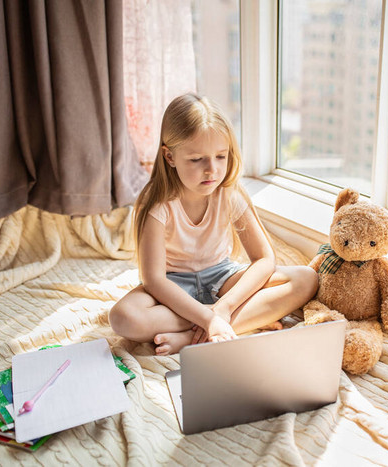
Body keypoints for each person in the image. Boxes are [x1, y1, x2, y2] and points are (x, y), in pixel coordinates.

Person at [109, 93, 319, 355]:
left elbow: (265, 259)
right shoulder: (158, 205)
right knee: (123, 317)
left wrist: (225, 307)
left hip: (222, 278)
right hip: (174, 287)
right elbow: (154, 281)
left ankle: (190, 338)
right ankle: (222, 325)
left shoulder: (229, 193)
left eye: (221, 156)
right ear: (170, 157)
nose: (212, 170)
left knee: (305, 279)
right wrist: (209, 318)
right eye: (197, 159)